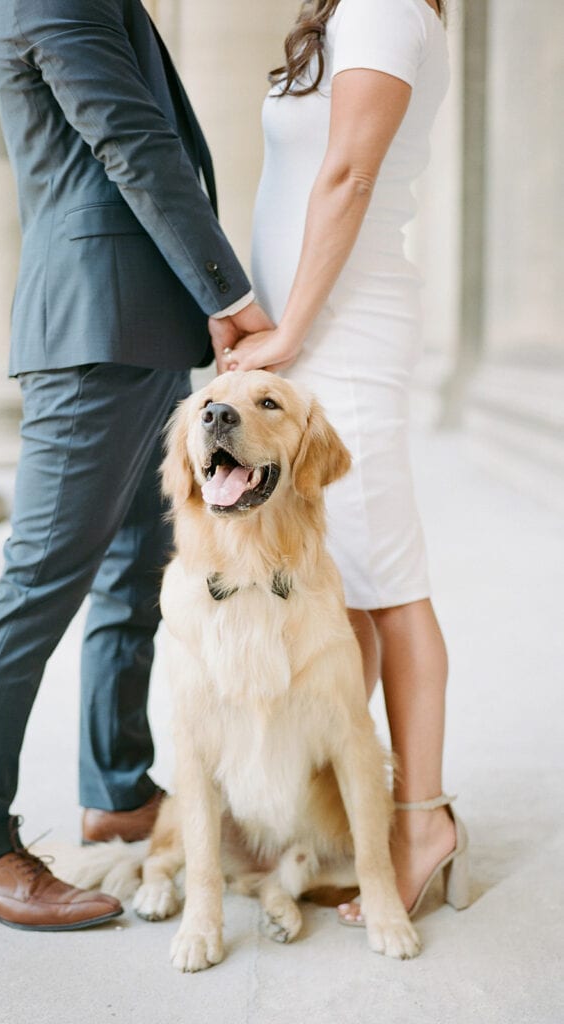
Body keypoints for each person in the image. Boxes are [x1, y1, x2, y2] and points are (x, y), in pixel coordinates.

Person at [0, 0, 272, 931]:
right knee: (40, 577)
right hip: (95, 330)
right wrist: (228, 293)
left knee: (132, 573)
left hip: (141, 326)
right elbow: (129, 139)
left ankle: (118, 788)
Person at [211, 0, 469, 923]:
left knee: (386, 581)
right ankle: (323, 809)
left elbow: (350, 173)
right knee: (345, 583)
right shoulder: (355, 10)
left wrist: (294, 329)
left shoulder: (388, 9)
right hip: (309, 327)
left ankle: (418, 826)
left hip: (343, 331)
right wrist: (261, 317)